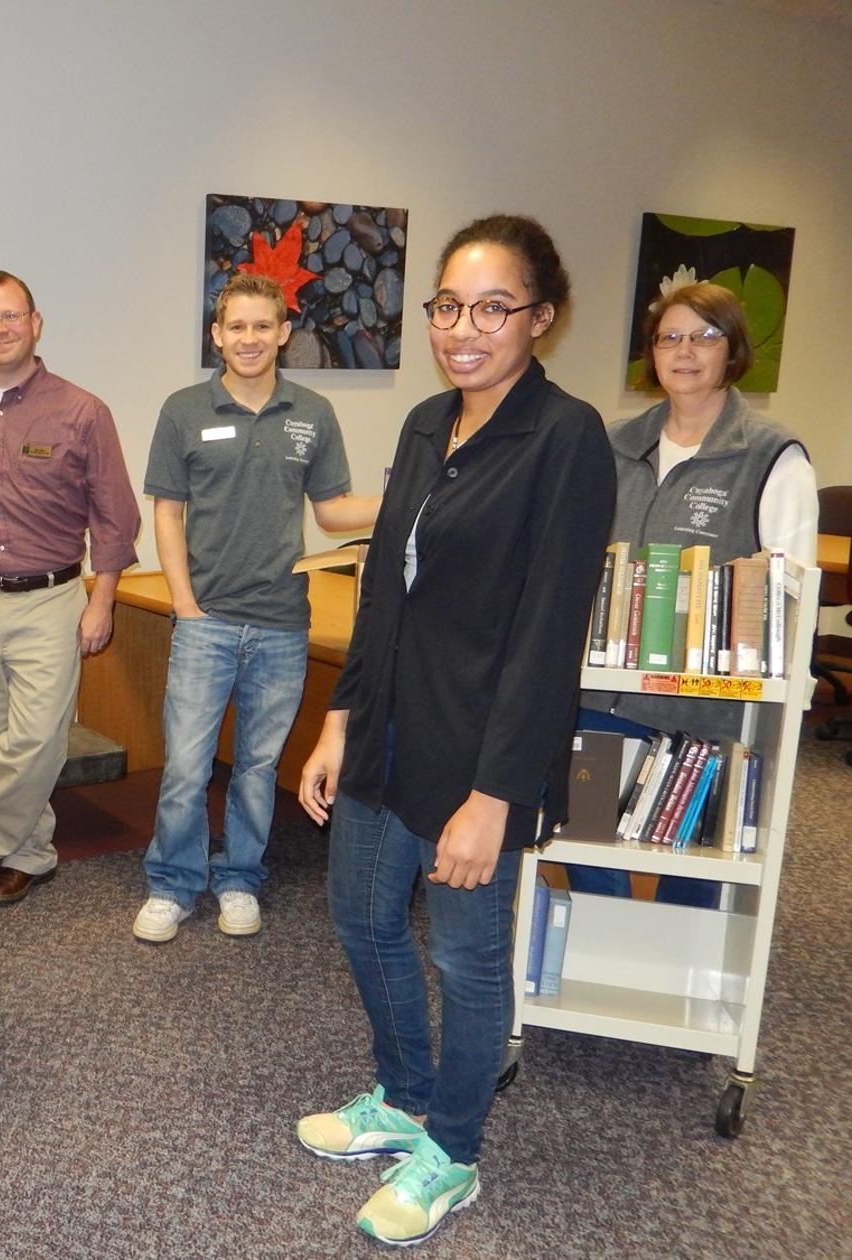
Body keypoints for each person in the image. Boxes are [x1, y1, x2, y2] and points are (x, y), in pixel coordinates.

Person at [296, 215, 615, 1247]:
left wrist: (495, 796)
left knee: (469, 963)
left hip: (481, 747)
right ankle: (403, 1093)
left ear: (541, 318)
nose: (463, 328)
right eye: (447, 306)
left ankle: (455, 1152)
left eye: (493, 308)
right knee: (362, 916)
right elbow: (382, 588)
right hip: (390, 723)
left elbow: (546, 632)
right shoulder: (429, 423)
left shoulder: (565, 438)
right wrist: (339, 721)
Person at [134, 271, 377, 944]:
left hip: (281, 623)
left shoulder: (312, 414)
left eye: (262, 326)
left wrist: (409, 500)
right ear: (217, 335)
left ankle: (240, 878)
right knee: (185, 764)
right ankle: (173, 883)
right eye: (236, 327)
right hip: (206, 620)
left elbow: (331, 513)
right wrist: (187, 605)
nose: (249, 338)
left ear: (283, 333)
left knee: (258, 769)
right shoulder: (184, 410)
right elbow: (168, 514)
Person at [571, 279, 816, 905]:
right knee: (587, 846)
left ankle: (673, 983)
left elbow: (790, 586)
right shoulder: (614, 442)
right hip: (603, 693)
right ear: (652, 354)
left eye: (704, 336)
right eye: (669, 337)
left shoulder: (770, 454)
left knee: (695, 868)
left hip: (703, 710)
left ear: (732, 349)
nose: (684, 351)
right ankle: (607, 963)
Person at [0, 271, 140, 906]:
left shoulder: (83, 411)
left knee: (38, 737)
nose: (0, 329)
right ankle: (29, 854)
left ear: (36, 322)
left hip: (53, 598)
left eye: (11, 316)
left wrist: (104, 599)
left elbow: (115, 515)